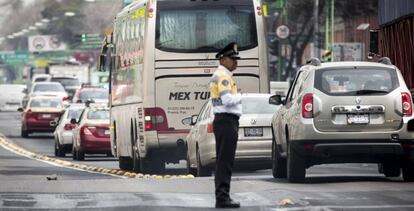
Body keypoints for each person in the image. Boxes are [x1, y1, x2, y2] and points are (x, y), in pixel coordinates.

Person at [209, 42, 242, 209]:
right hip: (226, 121)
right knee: (225, 161)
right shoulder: (223, 76)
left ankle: (223, 197)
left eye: (236, 59)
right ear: (222, 59)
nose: (235, 62)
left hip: (224, 121)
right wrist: (242, 96)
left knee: (224, 161)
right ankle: (222, 198)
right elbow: (227, 100)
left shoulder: (222, 74)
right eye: (232, 58)